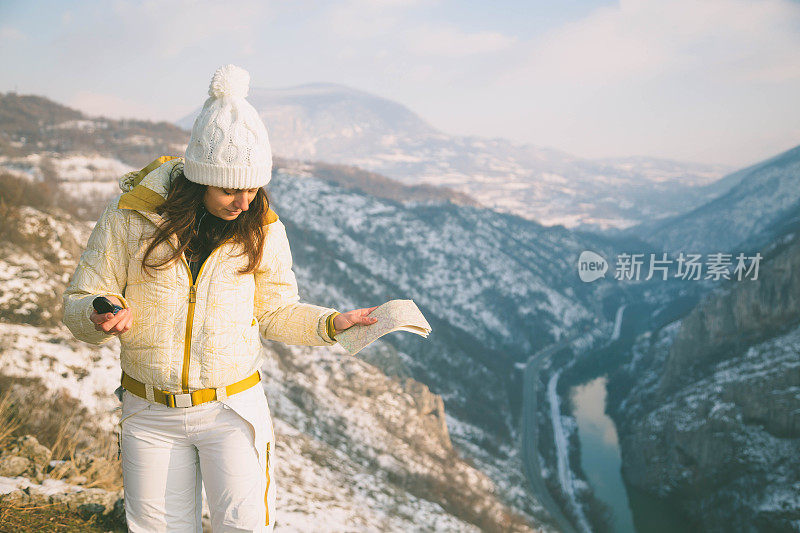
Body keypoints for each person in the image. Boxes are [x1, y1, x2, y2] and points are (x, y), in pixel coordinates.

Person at [62, 64, 378, 532]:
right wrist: (97, 312)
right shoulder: (130, 219)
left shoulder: (263, 229)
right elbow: (80, 298)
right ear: (199, 177)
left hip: (231, 410)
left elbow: (275, 311)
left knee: (245, 528)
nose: (245, 202)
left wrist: (332, 324)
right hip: (149, 412)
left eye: (253, 188)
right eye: (232, 188)